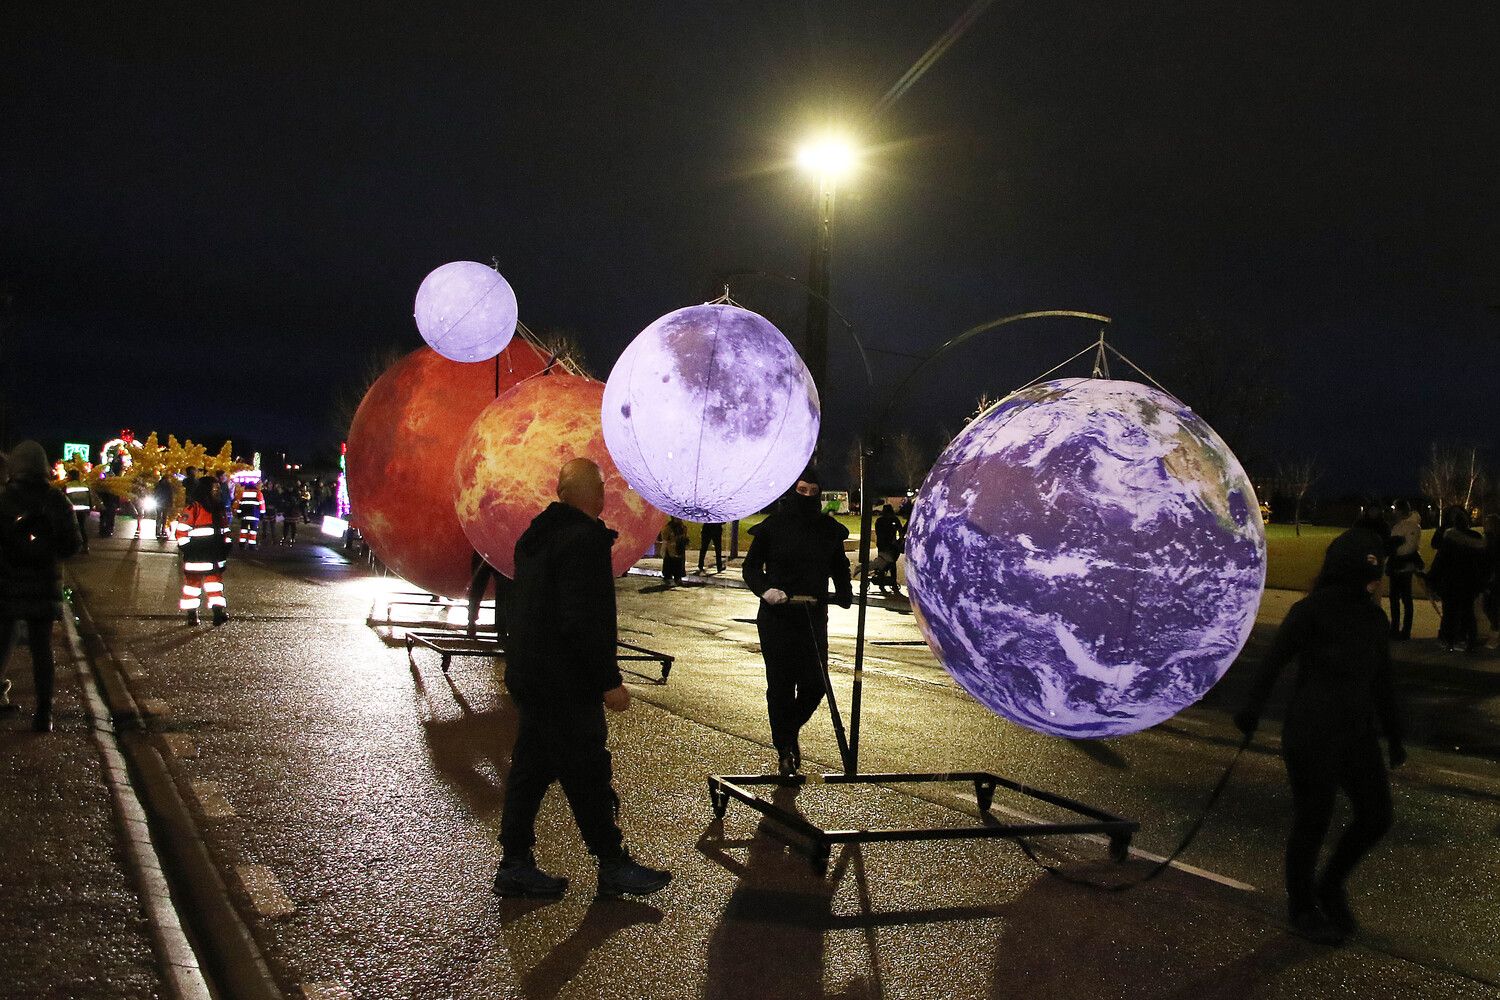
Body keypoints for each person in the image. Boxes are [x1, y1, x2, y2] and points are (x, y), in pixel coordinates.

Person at [494, 458, 671, 899]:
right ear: (588, 493)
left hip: (533, 675)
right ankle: (611, 862)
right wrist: (607, 681)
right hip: (566, 683)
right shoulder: (582, 541)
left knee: (532, 771)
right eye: (599, 486)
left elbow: (518, 608)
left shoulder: (535, 538)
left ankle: (516, 862)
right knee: (587, 770)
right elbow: (583, 619)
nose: (604, 494)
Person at [1234, 526, 1405, 944]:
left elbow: (1381, 680)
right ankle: (1303, 904)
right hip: (1312, 733)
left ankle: (1329, 885)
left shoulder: (1373, 618)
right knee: (1314, 818)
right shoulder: (1312, 612)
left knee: (1376, 814)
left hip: (1357, 735)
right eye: (1369, 571)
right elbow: (1274, 662)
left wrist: (1395, 734)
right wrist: (1252, 709)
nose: (1374, 579)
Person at [742, 468, 853, 776]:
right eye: (801, 490)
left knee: (816, 684)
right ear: (793, 490)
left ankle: (786, 733)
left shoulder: (828, 529)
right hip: (777, 618)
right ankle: (786, 750)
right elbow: (751, 568)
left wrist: (844, 593)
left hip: (813, 617)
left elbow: (839, 565)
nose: (805, 496)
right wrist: (765, 591)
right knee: (780, 686)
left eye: (811, 491)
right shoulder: (773, 527)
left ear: (819, 494)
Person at [0, 442, 83, 731]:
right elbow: (72, 545)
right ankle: (44, 714)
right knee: (42, 651)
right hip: (43, 586)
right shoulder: (56, 500)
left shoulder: (3, 499)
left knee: (1, 644)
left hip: (6, 585)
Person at [173, 478, 231, 626]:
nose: (217, 490)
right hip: (200, 555)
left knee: (212, 585)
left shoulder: (217, 508)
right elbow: (181, 532)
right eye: (215, 487)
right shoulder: (194, 508)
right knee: (197, 585)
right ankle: (195, 615)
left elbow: (225, 531)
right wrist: (188, 548)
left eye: (218, 488)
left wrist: (226, 547)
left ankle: (216, 614)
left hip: (209, 555)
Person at [1428, 506, 1486, 653]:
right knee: (1468, 612)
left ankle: (1448, 641)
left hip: (1452, 581)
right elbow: (1482, 563)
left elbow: (1440, 562)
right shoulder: (1477, 539)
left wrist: (1431, 579)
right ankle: (1468, 640)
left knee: (1449, 613)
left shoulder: (1450, 539)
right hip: (1470, 582)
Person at [1385, 500, 1421, 640]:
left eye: (1396, 509)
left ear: (1401, 510)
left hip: (1405, 567)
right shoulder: (1397, 526)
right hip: (1396, 566)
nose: (1394, 512)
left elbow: (1409, 547)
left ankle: (1405, 630)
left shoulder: (1413, 526)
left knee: (1406, 599)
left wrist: (1395, 549)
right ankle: (1394, 628)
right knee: (1394, 599)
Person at [873, 503, 905, 595]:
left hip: (883, 545)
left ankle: (882, 583)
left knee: (883, 564)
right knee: (892, 565)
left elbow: (878, 533)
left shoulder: (880, 520)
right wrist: (900, 539)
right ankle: (892, 583)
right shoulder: (893, 519)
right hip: (890, 545)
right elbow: (900, 530)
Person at [63, 468, 93, 554]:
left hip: (72, 511)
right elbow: (89, 498)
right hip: (83, 510)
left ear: (70, 476)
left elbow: (63, 499)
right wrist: (90, 508)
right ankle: (85, 546)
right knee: (82, 527)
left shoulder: (67, 486)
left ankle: (73, 546)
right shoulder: (84, 485)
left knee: (72, 528)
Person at [1482, 513, 1500, 651]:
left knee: (1492, 606)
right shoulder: (1488, 539)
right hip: (1490, 577)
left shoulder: (1492, 540)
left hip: (1493, 579)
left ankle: (1495, 634)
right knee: (1489, 606)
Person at [234, 478, 265, 550]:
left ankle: (242, 544)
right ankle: (252, 546)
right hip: (254, 515)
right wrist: (262, 514)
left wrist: (239, 514)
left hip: (244, 516)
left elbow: (239, 504)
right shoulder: (258, 493)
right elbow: (262, 504)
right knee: (253, 531)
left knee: (243, 530)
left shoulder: (243, 493)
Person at [658, 516, 688, 585]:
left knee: (679, 564)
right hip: (670, 550)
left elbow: (685, 537)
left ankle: (678, 578)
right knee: (669, 564)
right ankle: (668, 577)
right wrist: (663, 549)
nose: (679, 519)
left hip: (679, 549)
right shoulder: (668, 528)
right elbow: (665, 539)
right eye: (677, 518)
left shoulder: (683, 527)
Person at [151, 472, 175, 540]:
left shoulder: (160, 484)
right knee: (162, 517)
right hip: (163, 503)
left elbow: (155, 493)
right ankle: (161, 530)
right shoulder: (167, 485)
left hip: (161, 502)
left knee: (161, 517)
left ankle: (160, 530)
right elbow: (170, 495)